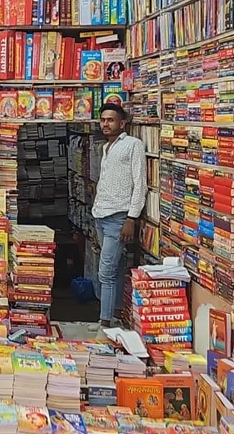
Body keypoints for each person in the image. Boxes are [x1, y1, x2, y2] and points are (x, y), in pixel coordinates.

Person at [91, 103, 147, 329]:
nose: (105, 124)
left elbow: (140, 183)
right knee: (116, 267)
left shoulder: (133, 145)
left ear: (122, 123)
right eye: (103, 120)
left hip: (119, 217)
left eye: (110, 120)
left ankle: (105, 321)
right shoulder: (105, 148)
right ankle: (116, 314)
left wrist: (131, 218)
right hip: (101, 215)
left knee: (106, 271)